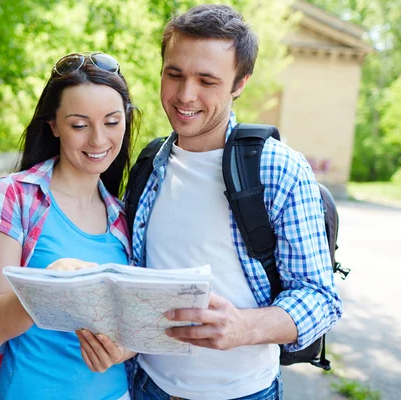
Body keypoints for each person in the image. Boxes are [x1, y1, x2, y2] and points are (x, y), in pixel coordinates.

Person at [126, 5, 343, 400]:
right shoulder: (148, 163)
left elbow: (320, 299)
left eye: (207, 80)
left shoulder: (279, 168)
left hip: (244, 392)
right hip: (146, 385)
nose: (185, 95)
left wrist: (245, 326)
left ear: (239, 83)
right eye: (174, 74)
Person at [0, 52, 139, 400]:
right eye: (79, 125)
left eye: (112, 122)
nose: (98, 140)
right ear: (54, 125)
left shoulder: (124, 216)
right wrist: (49, 283)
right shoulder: (13, 197)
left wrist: (123, 349)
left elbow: (137, 328)